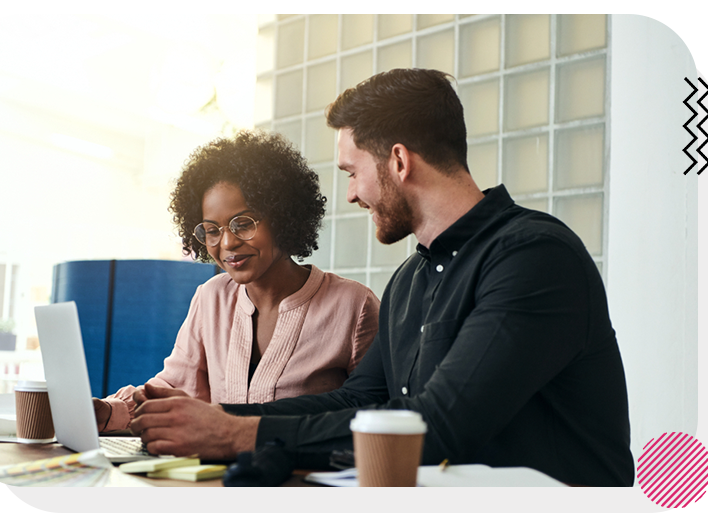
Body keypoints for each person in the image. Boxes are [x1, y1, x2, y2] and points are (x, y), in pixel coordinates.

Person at [129, 69, 635, 487]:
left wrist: (235, 436)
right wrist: (220, 418)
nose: (351, 195)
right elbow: (360, 401)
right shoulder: (410, 280)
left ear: (398, 160)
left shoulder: (533, 257)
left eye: (352, 171)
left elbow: (437, 427)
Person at [93, 130, 380, 432]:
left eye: (243, 224)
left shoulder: (354, 306)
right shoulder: (211, 297)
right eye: (212, 229)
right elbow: (172, 388)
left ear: (282, 217)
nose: (227, 243)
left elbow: (375, 412)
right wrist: (104, 411)